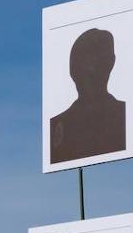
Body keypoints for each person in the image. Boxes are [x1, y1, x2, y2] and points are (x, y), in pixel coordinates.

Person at [49, 27, 126, 165]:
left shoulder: (125, 115)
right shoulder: (57, 124)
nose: (87, 69)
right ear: (72, 70)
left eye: (94, 62)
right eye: (80, 63)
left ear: (110, 63)